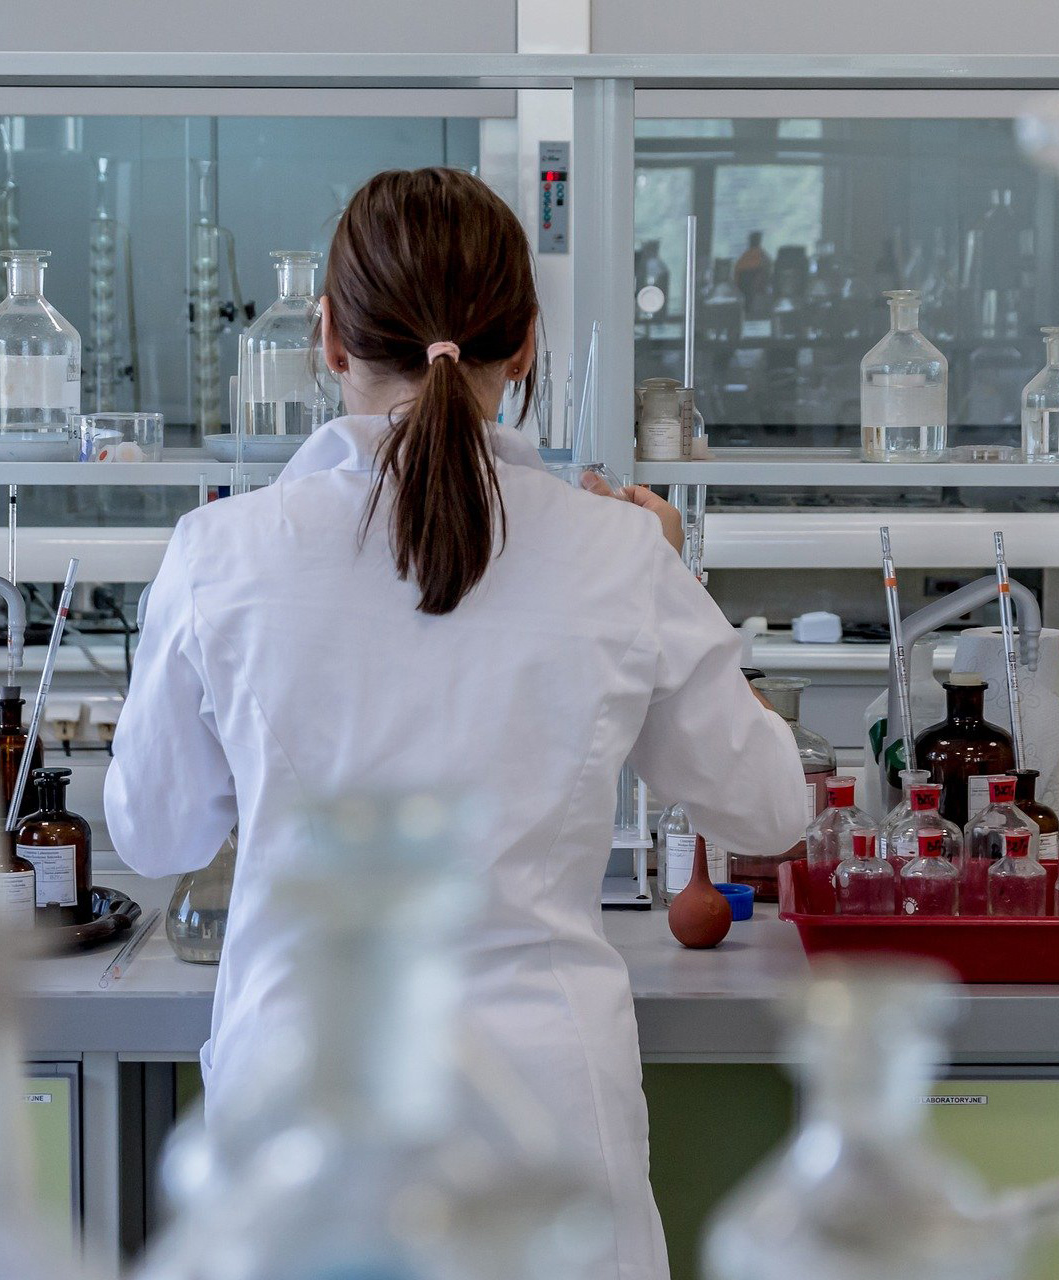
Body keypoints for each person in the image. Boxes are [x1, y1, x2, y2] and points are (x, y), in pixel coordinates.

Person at [106, 167, 806, 1280]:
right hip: (546, 1129)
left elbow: (154, 836)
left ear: (328, 336)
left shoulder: (219, 553)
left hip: (299, 1123)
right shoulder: (619, 551)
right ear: (523, 343)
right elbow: (767, 807)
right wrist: (677, 574)